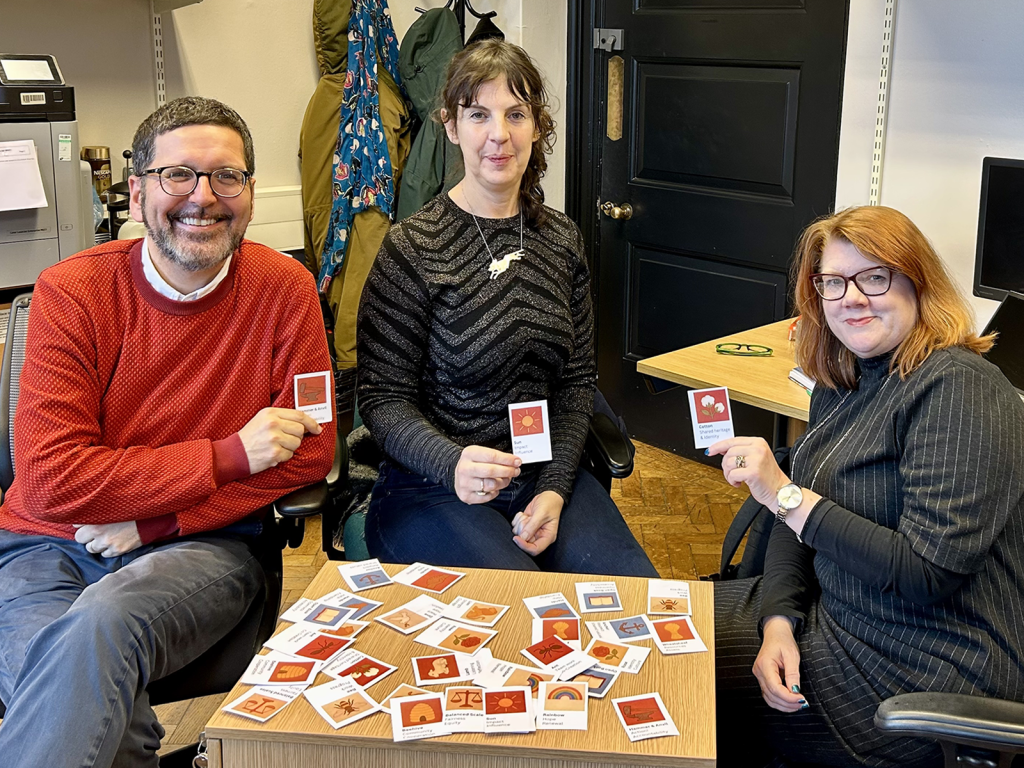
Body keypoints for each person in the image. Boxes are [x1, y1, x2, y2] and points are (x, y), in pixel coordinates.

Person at [0, 97, 336, 768]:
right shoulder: (72, 292)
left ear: (248, 193)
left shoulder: (285, 289)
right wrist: (229, 455)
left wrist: (159, 521)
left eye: (227, 177)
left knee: (100, 631)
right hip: (46, 546)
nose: (203, 197)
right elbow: (52, 480)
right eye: (177, 174)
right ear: (137, 192)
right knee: (91, 698)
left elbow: (311, 451)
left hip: (203, 548)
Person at [710, 206, 1024, 767]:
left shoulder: (960, 389)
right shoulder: (843, 378)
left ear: (918, 282)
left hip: (918, 669)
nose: (851, 297)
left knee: (675, 682)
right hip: (834, 616)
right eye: (833, 282)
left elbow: (926, 574)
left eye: (874, 277)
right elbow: (795, 517)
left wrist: (784, 494)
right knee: (661, 631)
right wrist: (778, 620)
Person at [357, 39, 657, 576]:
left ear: (536, 126)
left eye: (515, 114)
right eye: (479, 114)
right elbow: (382, 399)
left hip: (542, 474)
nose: (499, 133)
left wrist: (555, 488)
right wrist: (451, 463)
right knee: (518, 608)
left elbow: (576, 384)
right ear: (451, 126)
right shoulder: (412, 247)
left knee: (634, 599)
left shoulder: (561, 239)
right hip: (433, 487)